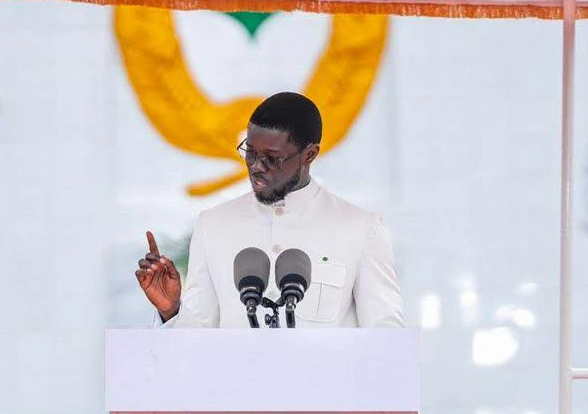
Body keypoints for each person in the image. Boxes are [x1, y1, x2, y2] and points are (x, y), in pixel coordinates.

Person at [135, 92, 404, 328]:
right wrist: (170, 311)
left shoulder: (361, 228)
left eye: (272, 159)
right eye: (250, 153)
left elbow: (385, 341)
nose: (256, 167)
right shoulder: (213, 224)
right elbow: (197, 337)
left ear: (309, 155)